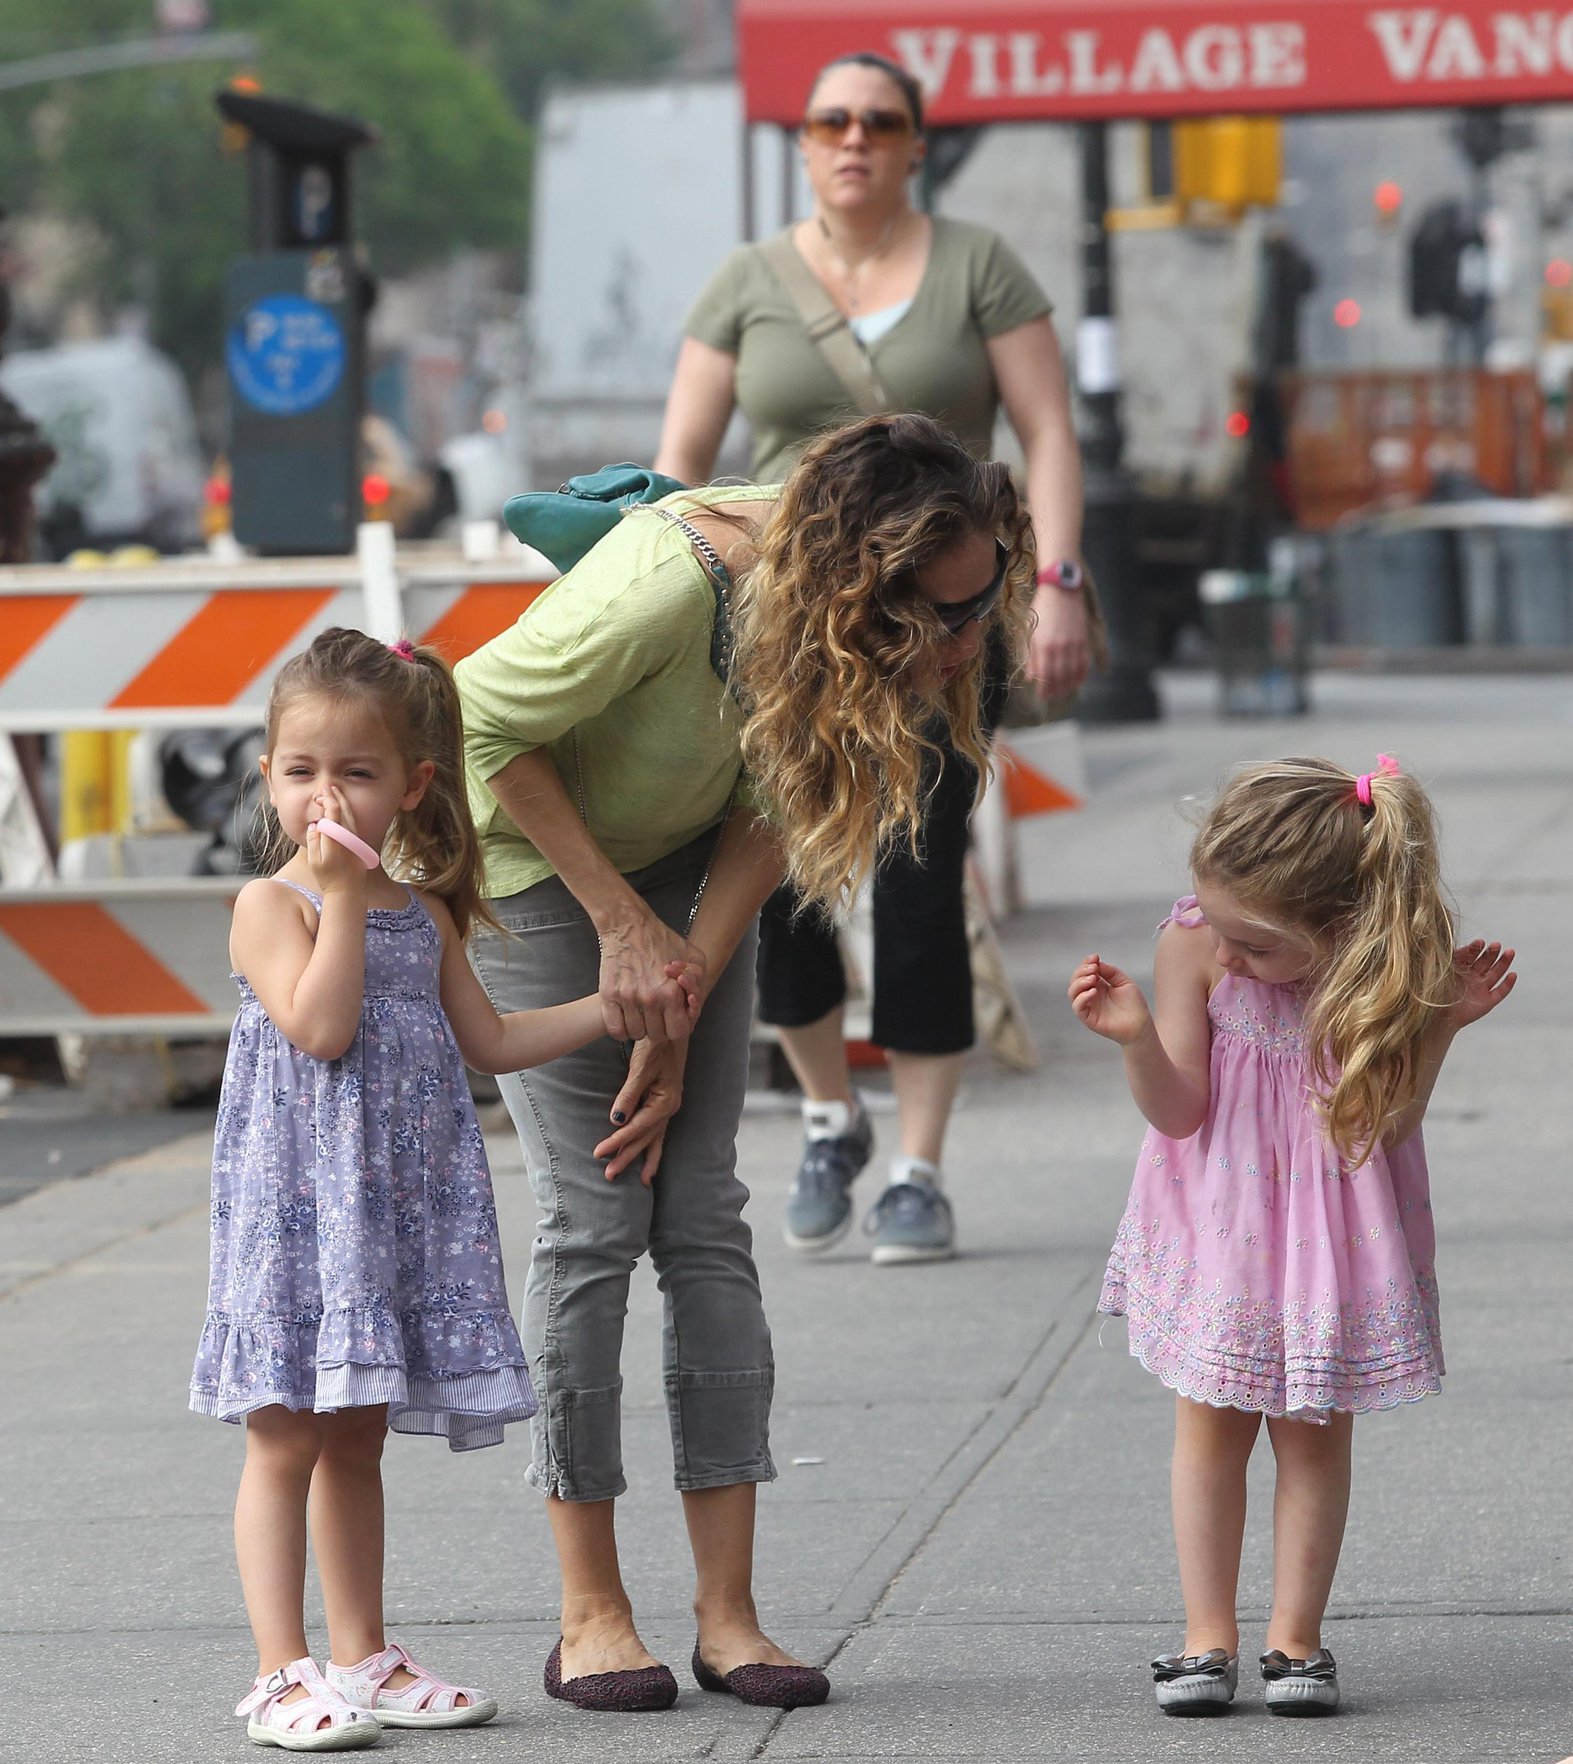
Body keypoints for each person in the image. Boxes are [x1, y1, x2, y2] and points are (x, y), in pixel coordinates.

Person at [458, 412, 1031, 1710]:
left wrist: (678, 982)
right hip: (533, 866)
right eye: (943, 610)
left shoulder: (843, 628)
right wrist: (617, 933)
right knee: (597, 1215)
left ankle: (730, 1614)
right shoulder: (674, 581)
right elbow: (477, 726)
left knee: (705, 1214)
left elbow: (775, 805)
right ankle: (589, 1609)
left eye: (979, 601)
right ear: (861, 571)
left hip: (681, 870)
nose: (960, 640)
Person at [656, 48, 1090, 1265]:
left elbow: (1048, 429)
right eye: (830, 120)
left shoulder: (977, 265)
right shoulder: (747, 281)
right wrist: (676, 608)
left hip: (948, 626)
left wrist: (1053, 577)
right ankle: (829, 1115)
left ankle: (918, 1165)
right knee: (777, 869)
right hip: (789, 628)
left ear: (914, 143)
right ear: (802, 143)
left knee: (916, 873)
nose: (854, 139)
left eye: (879, 121)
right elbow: (682, 459)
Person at [190, 628, 613, 1750]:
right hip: (296, 1222)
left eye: (357, 772)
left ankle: (362, 1654)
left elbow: (494, 1039)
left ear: (413, 786)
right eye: (299, 770)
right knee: (284, 1437)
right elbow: (321, 1030)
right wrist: (335, 896)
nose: (324, 793)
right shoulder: (272, 907)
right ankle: (282, 1672)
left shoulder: (418, 912)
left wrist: (617, 1006)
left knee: (357, 1441)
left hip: (384, 1222)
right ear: (269, 776)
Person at [1068, 755, 1516, 1718]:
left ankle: (1295, 1642)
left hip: (1330, 1237)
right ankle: (1205, 1639)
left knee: (1312, 1439)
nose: (1228, 957)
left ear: (1340, 927)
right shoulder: (1195, 946)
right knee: (1209, 1432)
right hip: (1221, 1230)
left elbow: (1379, 1130)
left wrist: (1440, 1029)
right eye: (1218, 928)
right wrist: (1137, 1038)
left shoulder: (1381, 967)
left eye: (1255, 945)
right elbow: (1181, 1112)